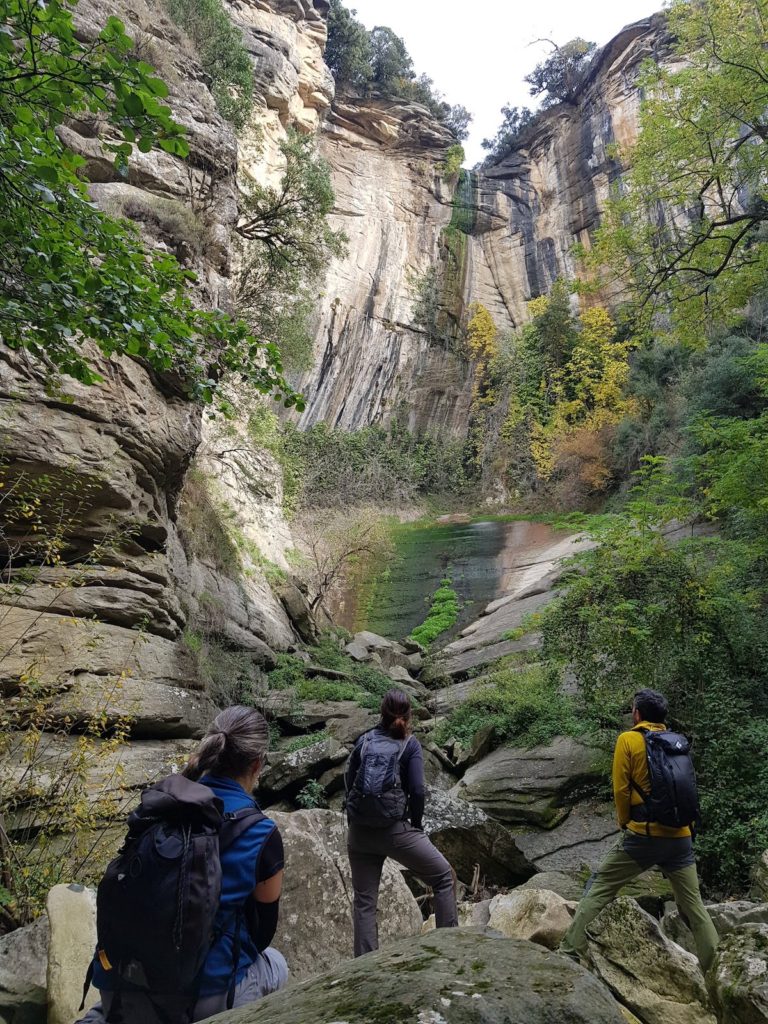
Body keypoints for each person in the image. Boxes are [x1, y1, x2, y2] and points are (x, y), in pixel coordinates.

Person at [78, 706, 288, 1023]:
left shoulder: (160, 802)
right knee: (276, 964)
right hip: (200, 1001)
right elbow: (262, 932)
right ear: (257, 764)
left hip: (119, 986)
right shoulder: (260, 833)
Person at [559, 688, 718, 970]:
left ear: (637, 714)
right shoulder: (677, 742)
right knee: (695, 908)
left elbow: (620, 789)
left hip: (644, 836)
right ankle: (718, 971)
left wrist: (624, 823)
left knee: (600, 886)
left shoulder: (629, 740)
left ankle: (569, 953)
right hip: (681, 837)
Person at [345, 689, 458, 957]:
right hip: (395, 831)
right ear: (408, 715)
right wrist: (415, 825)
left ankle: (364, 969)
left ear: (381, 713)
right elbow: (417, 790)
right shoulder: (410, 744)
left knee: (365, 902)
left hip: (359, 834)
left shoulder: (364, 741)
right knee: (444, 877)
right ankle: (450, 952)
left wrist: (355, 819)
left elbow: (349, 782)